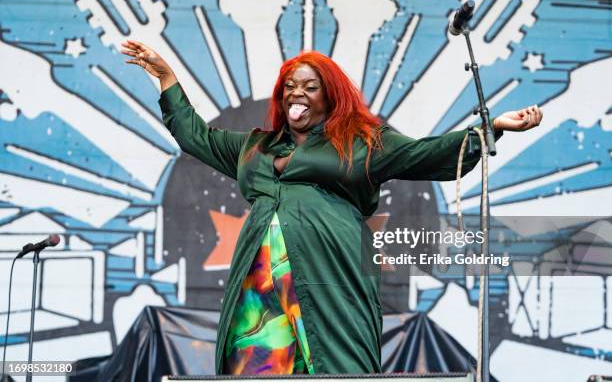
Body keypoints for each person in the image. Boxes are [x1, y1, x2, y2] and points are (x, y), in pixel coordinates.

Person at [121, 40, 543, 375]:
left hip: (330, 279)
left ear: (329, 94)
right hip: (260, 288)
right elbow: (197, 137)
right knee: (255, 367)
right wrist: (167, 77)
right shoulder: (255, 146)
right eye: (289, 86)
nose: (296, 94)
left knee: (336, 366)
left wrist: (493, 129)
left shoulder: (361, 142)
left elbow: (424, 153)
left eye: (309, 85)